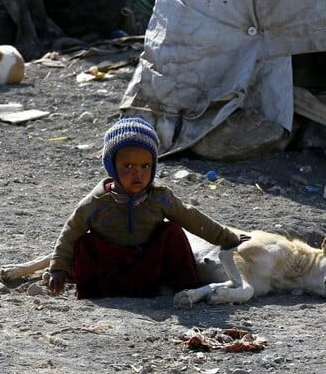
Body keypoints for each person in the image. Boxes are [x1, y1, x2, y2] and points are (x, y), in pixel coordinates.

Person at [47, 117, 250, 299]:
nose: (138, 174)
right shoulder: (97, 202)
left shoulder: (159, 197)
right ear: (111, 166)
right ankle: (96, 291)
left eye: (145, 166)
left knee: (172, 231)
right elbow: (69, 233)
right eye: (128, 167)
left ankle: (186, 288)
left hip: (147, 261)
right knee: (85, 242)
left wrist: (227, 237)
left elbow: (193, 219)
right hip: (111, 263)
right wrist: (58, 269)